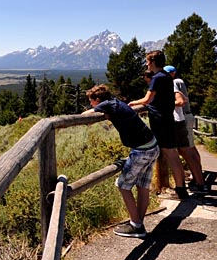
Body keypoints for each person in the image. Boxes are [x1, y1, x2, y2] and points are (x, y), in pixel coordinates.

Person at [83, 84, 159, 238]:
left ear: (97, 100)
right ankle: (137, 223)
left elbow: (86, 117)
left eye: (91, 101)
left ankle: (136, 226)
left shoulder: (106, 105)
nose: (91, 104)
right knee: (142, 186)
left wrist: (94, 111)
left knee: (123, 186)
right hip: (152, 146)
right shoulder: (116, 103)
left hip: (141, 150)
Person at [129, 50, 189, 200]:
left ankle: (177, 190)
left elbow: (147, 99)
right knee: (173, 155)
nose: (147, 64)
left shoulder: (156, 78)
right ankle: (181, 189)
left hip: (160, 121)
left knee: (168, 154)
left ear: (153, 62)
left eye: (148, 61)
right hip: (168, 119)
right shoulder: (167, 77)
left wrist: (132, 103)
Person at [164, 65, 208, 195]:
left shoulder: (173, 83)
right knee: (191, 149)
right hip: (187, 116)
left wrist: (163, 104)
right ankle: (199, 180)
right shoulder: (180, 81)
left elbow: (181, 100)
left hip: (181, 118)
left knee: (186, 151)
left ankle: (199, 183)